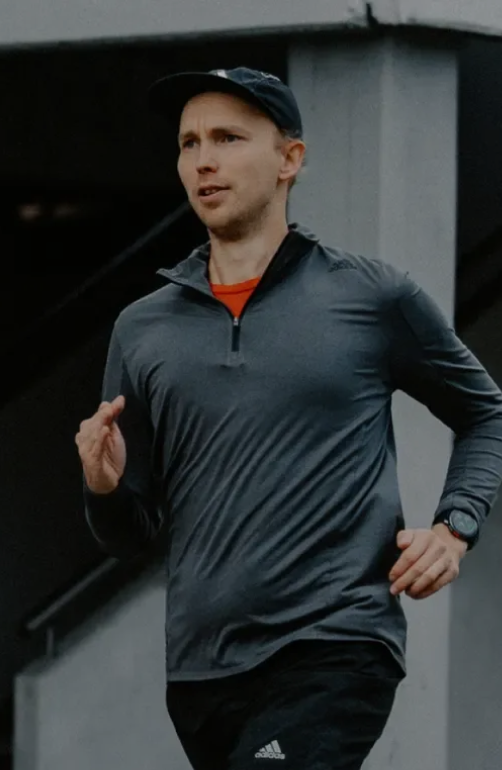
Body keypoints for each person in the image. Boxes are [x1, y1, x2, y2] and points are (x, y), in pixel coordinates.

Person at [75, 67, 502, 770]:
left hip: (335, 645)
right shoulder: (142, 329)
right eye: (188, 143)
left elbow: (484, 412)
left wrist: (455, 527)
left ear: (289, 159)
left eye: (228, 137)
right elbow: (130, 535)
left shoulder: (371, 297)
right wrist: (104, 487)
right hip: (200, 672)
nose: (203, 159)